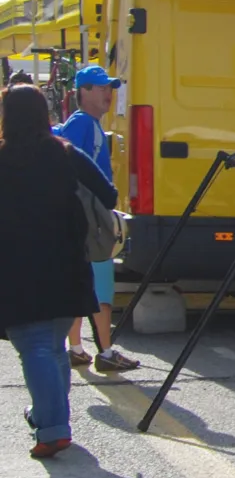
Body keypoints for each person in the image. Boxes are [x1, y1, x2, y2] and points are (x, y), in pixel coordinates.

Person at [0, 84, 106, 459]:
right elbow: (107, 193)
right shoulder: (65, 153)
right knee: (53, 346)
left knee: (35, 347)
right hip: (67, 264)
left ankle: (53, 426)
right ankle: (47, 416)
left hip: (16, 269)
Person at [55, 64, 139, 374]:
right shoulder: (84, 124)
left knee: (82, 280)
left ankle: (77, 348)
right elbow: (76, 170)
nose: (108, 93)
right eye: (101, 87)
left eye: (110, 88)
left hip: (81, 217)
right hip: (92, 219)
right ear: (84, 91)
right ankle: (106, 351)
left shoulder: (81, 124)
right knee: (101, 285)